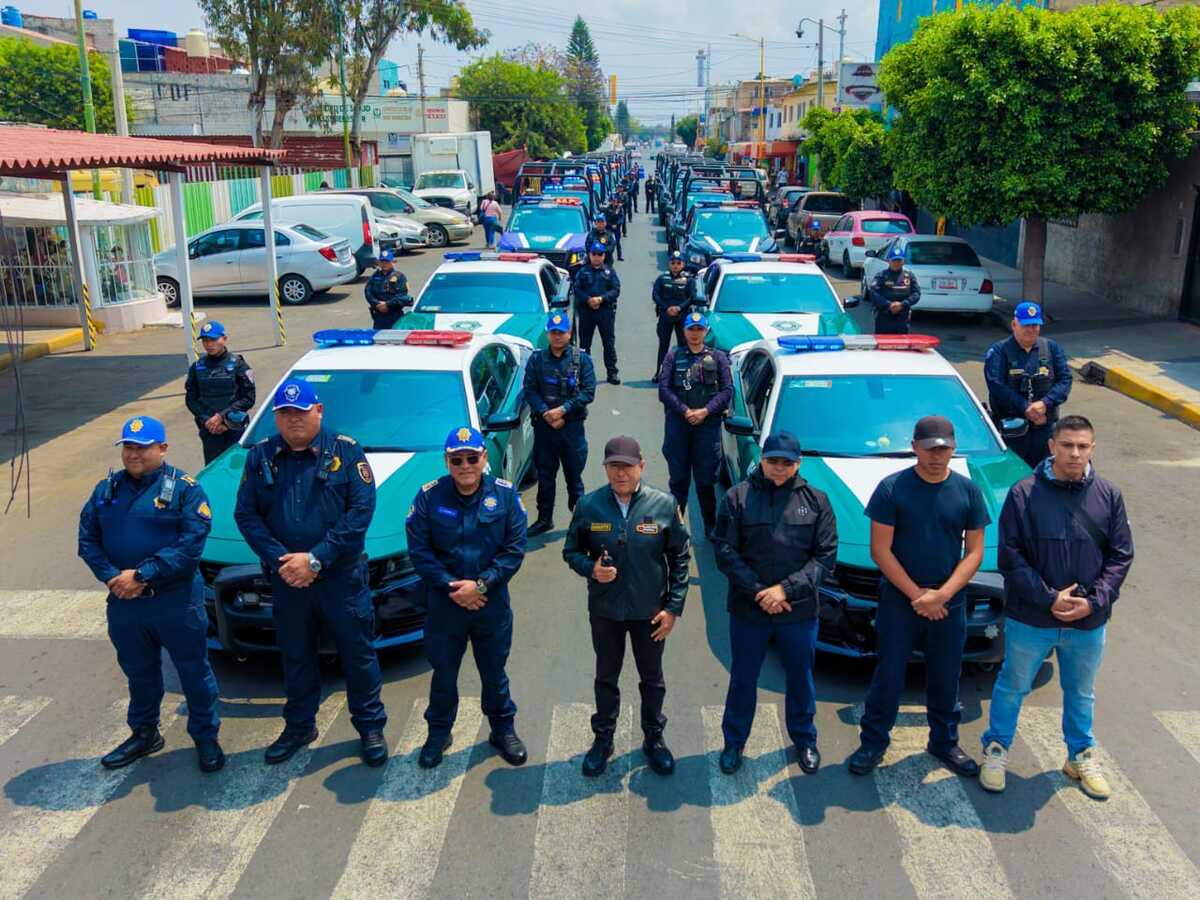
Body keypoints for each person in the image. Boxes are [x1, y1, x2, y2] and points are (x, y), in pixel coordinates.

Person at [234, 380, 388, 768]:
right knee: (296, 656)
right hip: (289, 582)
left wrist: (316, 559)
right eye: (285, 414)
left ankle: (369, 727)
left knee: (358, 656)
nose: (293, 420)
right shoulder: (261, 456)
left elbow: (361, 512)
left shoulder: (347, 452)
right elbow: (247, 515)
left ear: (318, 411)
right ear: (276, 419)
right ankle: (300, 726)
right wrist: (284, 560)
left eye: (301, 412)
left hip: (341, 579)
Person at [980, 415, 1133, 798]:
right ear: (1052, 446)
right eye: (1067, 445)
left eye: (1083, 446)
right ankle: (996, 751)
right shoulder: (1023, 493)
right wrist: (1050, 598)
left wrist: (1092, 601)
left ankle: (1079, 756)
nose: (1075, 453)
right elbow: (1010, 557)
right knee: (1013, 685)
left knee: (1081, 692)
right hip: (1032, 617)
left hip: (1088, 621)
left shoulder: (1109, 495)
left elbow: (1121, 556)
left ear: (1092, 449)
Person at [78, 416, 224, 773]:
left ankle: (205, 737)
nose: (134, 454)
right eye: (128, 447)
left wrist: (143, 574)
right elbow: (87, 540)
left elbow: (191, 545)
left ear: (162, 449)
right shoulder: (106, 490)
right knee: (139, 672)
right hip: (126, 603)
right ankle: (144, 734)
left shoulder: (186, 489)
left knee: (193, 672)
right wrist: (113, 578)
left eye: (142, 448)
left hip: (174, 602)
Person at [849, 416, 991, 778]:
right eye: (929, 449)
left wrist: (941, 595)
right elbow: (880, 550)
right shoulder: (892, 489)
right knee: (890, 675)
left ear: (953, 448)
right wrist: (918, 596)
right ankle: (873, 742)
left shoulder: (968, 491)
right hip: (901, 602)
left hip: (949, 601)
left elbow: (974, 551)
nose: (936, 456)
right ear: (914, 447)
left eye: (943, 449)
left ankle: (944, 742)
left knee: (946, 677)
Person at [563, 435, 690, 777]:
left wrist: (673, 608)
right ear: (605, 468)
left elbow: (680, 558)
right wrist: (592, 569)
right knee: (606, 677)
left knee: (652, 680)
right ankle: (603, 739)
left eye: (627, 467)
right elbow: (570, 550)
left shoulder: (663, 505)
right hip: (606, 612)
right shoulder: (589, 506)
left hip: (650, 613)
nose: (621, 474)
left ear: (641, 467)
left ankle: (654, 740)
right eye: (614, 466)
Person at [712, 431, 837, 775]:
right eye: (773, 461)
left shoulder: (817, 501)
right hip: (749, 609)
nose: (779, 468)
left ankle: (805, 740)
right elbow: (724, 551)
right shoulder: (738, 497)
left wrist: (784, 590)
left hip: (797, 611)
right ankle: (734, 742)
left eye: (787, 462)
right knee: (743, 678)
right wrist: (759, 592)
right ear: (762, 460)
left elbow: (825, 558)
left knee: (800, 678)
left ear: (798, 464)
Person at [406, 426, 529, 769]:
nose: (465, 466)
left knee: (494, 672)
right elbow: (420, 551)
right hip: (445, 607)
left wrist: (482, 586)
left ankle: (502, 730)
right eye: (457, 460)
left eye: (472, 458)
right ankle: (438, 733)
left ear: (484, 458)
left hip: (490, 605)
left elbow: (514, 550)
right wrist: (452, 587)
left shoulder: (504, 496)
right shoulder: (429, 497)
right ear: (447, 462)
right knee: (443, 674)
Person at [658, 311, 732, 538]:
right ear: (684, 331)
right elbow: (664, 389)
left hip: (707, 427)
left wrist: (705, 411)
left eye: (700, 329)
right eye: (691, 329)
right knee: (678, 481)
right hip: (679, 427)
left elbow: (727, 391)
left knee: (705, 482)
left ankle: (710, 526)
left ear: (706, 331)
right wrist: (685, 411)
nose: (695, 333)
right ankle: (676, 527)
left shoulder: (718, 358)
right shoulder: (673, 356)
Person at [524, 312, 597, 536]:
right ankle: (544, 519)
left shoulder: (581, 359)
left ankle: (579, 523)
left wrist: (563, 410)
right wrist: (546, 413)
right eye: (553, 333)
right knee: (545, 478)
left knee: (574, 477)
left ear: (569, 333)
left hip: (571, 429)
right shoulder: (537, 359)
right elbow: (530, 390)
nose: (557, 337)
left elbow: (588, 391)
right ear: (548, 334)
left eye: (561, 332)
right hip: (545, 429)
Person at [984, 301, 1072, 469]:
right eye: (1026, 325)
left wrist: (1044, 404)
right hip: (1012, 431)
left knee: (1048, 477)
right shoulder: (999, 351)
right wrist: (1026, 408)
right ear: (1014, 324)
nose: (1031, 330)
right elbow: (996, 385)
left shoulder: (1051, 348)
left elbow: (1065, 380)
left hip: (1045, 429)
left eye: (1035, 325)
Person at [184, 320, 255, 465]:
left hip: (234, 428)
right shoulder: (197, 367)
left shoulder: (238, 365)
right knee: (213, 471)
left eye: (213, 339)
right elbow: (191, 399)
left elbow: (248, 398)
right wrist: (208, 421)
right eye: (205, 340)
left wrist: (222, 418)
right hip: (210, 430)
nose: (209, 344)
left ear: (224, 339)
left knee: (239, 470)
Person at [573, 243, 622, 385]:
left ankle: (612, 373)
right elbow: (576, 289)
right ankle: (584, 375)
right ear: (589, 255)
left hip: (605, 311)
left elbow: (616, 290)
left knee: (608, 343)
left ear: (604, 256)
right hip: (587, 311)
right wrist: (588, 299)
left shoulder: (609, 272)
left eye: (599, 254)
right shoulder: (583, 271)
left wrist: (601, 299)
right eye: (594, 253)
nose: (596, 257)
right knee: (584, 345)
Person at [652, 250, 694, 379]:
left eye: (678, 263)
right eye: (673, 263)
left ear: (683, 264)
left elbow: (691, 297)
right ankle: (660, 372)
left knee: (683, 346)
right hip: (666, 317)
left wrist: (679, 308)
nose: (675, 265)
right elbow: (655, 295)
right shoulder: (662, 278)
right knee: (663, 345)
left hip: (682, 317)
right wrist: (667, 308)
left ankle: (682, 374)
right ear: (669, 264)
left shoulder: (688, 280)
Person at [867, 245, 921, 335]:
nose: (896, 263)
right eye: (894, 260)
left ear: (903, 261)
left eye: (899, 260)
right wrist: (889, 305)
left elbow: (916, 294)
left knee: (901, 346)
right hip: (884, 317)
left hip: (902, 318)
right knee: (883, 345)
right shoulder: (881, 276)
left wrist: (902, 304)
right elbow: (874, 293)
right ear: (889, 261)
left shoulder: (909, 276)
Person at [364, 251, 413, 330]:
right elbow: (368, 292)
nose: (384, 264)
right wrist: (377, 304)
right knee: (378, 339)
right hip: (379, 316)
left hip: (395, 314)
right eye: (382, 261)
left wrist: (387, 304)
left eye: (387, 261)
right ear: (379, 263)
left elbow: (402, 295)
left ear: (392, 262)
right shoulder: (374, 276)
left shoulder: (399, 276)